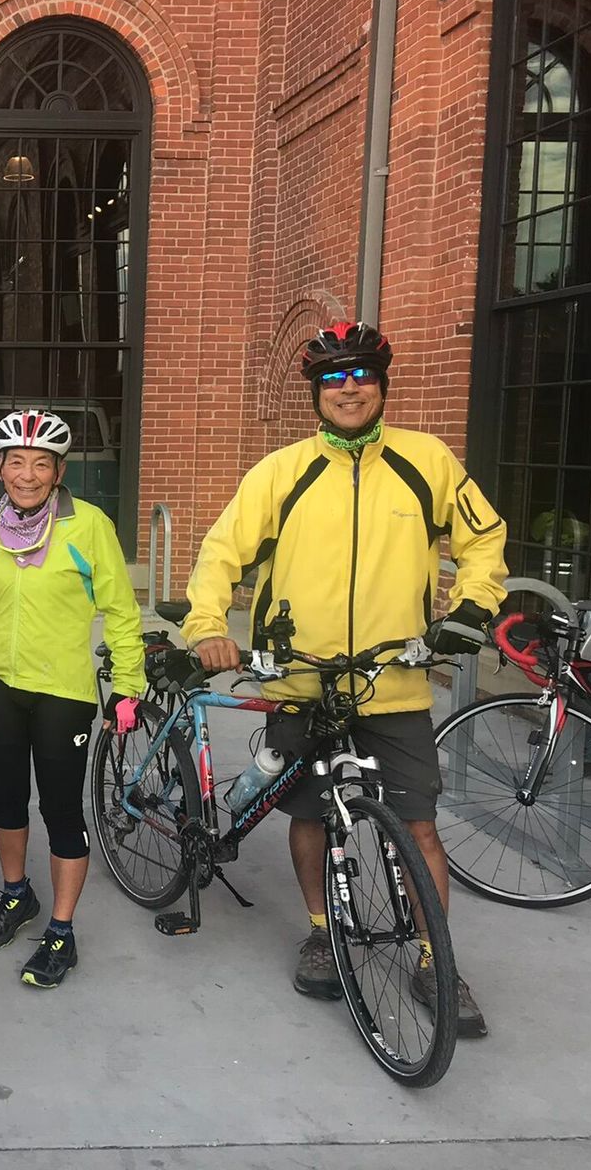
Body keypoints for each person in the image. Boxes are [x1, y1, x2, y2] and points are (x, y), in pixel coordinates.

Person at [182, 320, 506, 1037]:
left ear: (382, 386)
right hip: (301, 676)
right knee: (309, 816)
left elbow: (484, 538)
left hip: (394, 680)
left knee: (418, 826)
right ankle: (322, 932)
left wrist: (470, 612)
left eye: (362, 375)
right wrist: (207, 625)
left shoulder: (427, 461)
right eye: (334, 378)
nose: (349, 388)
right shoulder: (281, 471)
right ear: (316, 394)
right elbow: (221, 552)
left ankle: (435, 960)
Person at [0, 410, 146, 989]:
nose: (26, 474)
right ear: (0, 468)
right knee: (6, 799)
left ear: (58, 472)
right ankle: (17, 895)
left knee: (60, 811)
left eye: (40, 464)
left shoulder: (89, 525)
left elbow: (121, 610)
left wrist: (127, 684)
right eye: (15, 462)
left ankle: (61, 928)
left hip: (62, 691)